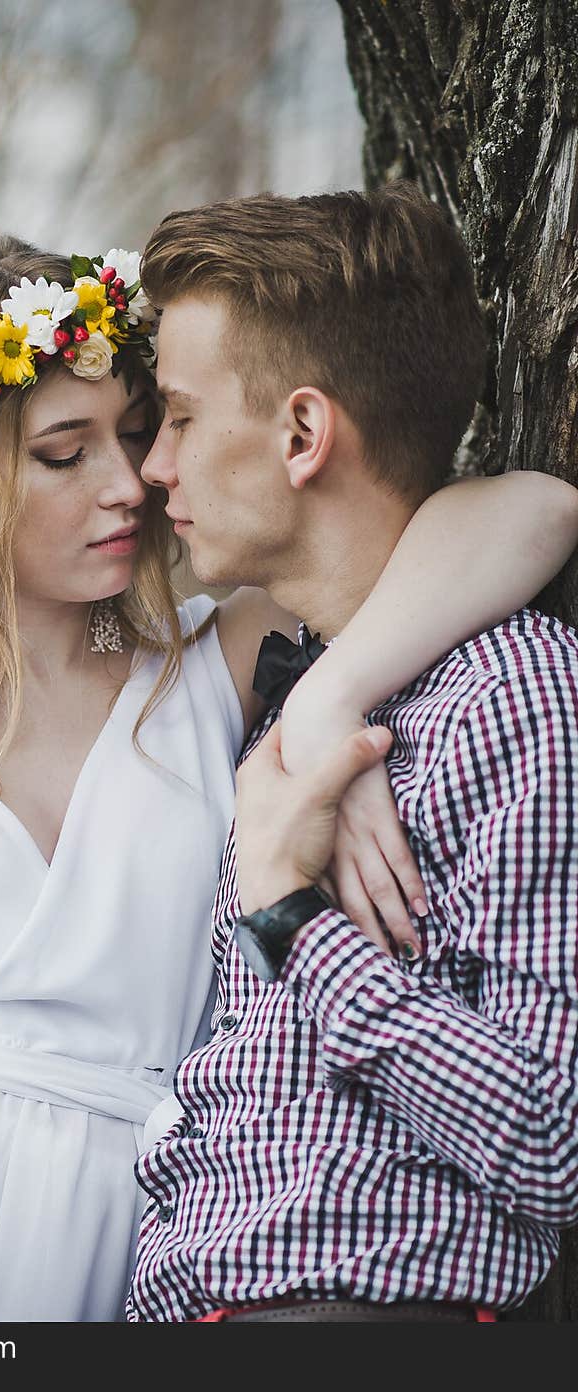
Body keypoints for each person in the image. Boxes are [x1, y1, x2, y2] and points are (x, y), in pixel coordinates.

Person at [0, 232, 576, 1324]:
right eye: (65, 454)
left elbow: (534, 509)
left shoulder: (214, 673)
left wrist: (324, 699)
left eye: (137, 433)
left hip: (137, 1238)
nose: (128, 485)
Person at [126, 183, 578, 1323]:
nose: (153, 471)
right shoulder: (265, 696)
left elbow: (547, 1136)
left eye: (179, 418)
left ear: (300, 434)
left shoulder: (513, 695)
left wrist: (292, 921)